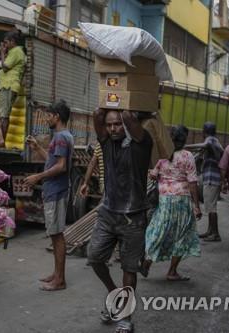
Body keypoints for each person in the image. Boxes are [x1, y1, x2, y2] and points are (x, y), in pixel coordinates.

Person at [87, 109, 152, 333]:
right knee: (94, 257)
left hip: (133, 217)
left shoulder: (142, 144)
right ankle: (115, 295)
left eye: (117, 124)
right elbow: (97, 116)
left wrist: (125, 100)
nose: (113, 128)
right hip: (108, 214)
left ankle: (125, 314)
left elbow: (131, 119)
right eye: (109, 124)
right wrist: (111, 96)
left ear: (126, 124)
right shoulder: (106, 143)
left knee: (129, 268)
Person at [24, 100, 73, 291]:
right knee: (55, 234)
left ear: (56, 117)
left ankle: (60, 280)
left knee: (57, 234)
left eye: (48, 115)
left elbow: (61, 166)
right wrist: (37, 148)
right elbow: (54, 161)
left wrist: (38, 176)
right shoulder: (63, 136)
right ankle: (57, 274)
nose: (46, 119)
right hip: (55, 190)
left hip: (56, 191)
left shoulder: (61, 137)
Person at [142, 126, 202, 281]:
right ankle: (172, 271)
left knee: (159, 231)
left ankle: (146, 263)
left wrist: (160, 174)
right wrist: (196, 205)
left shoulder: (163, 156)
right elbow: (193, 182)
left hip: (164, 200)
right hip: (182, 201)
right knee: (182, 235)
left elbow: (154, 175)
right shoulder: (188, 156)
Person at [187, 122, 224, 241]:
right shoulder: (215, 140)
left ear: (204, 131)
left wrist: (186, 146)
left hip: (212, 178)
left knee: (211, 207)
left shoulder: (211, 140)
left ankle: (215, 234)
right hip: (212, 177)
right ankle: (210, 231)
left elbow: (205, 145)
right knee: (209, 206)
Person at [0, 31, 26, 148]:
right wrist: (2, 53)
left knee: (0, 114)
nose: (5, 45)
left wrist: (2, 52)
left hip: (9, 85)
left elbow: (5, 67)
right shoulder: (12, 52)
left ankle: (1, 140)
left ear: (13, 42)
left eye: (7, 42)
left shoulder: (17, 51)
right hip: (6, 86)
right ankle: (2, 141)